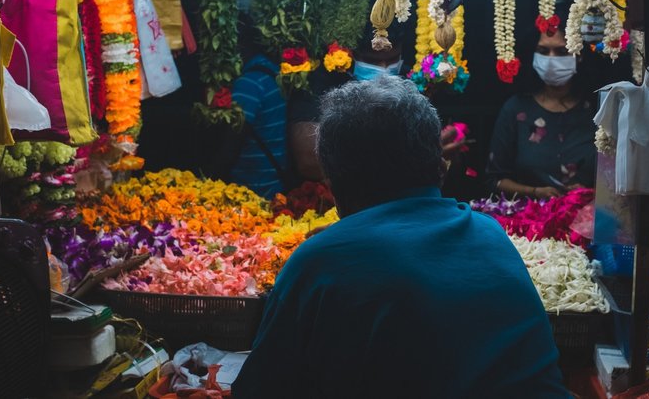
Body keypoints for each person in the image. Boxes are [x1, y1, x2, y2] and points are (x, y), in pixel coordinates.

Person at [231, 76, 569, 399]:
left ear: (333, 188)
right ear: (441, 169)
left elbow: (258, 390)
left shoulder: (319, 263)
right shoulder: (489, 233)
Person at [288, 24, 462, 182]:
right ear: (350, 53)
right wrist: (411, 155)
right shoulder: (323, 80)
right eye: (372, 61)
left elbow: (445, 154)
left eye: (392, 59)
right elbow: (308, 161)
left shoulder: (413, 80)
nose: (384, 69)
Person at [487, 29, 599, 198]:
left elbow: (617, 181)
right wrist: (534, 192)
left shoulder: (597, 110)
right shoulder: (516, 109)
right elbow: (495, 180)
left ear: (579, 55)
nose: (551, 59)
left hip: (588, 212)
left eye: (562, 51)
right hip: (529, 212)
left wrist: (588, 194)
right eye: (543, 51)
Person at [225, 15, 288, 198]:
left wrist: (213, 175)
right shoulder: (275, 73)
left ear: (240, 44)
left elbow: (234, 138)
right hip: (276, 182)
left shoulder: (249, 83)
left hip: (253, 187)